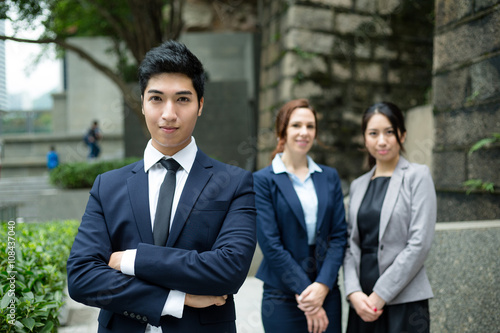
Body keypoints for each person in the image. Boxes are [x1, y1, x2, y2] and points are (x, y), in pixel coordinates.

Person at [66, 40, 257, 333]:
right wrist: (174, 299)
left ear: (200, 105)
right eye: (156, 99)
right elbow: (82, 278)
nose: (169, 114)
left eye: (182, 99)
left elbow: (228, 271)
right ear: (142, 103)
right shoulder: (108, 186)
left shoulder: (234, 183)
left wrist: (130, 259)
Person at [253, 99, 347, 333]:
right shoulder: (263, 180)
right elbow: (270, 244)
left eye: (310, 126)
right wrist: (310, 299)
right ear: (282, 131)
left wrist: (323, 287)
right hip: (282, 295)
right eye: (296, 125)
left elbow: (339, 236)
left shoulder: (329, 176)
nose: (304, 132)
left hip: (326, 291)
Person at [343, 102, 437, 333]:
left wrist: (380, 295)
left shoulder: (418, 176)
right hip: (362, 302)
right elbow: (349, 244)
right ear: (365, 139)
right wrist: (353, 292)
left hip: (403, 300)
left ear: (402, 135)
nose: (381, 141)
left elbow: (419, 243)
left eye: (389, 132)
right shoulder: (358, 185)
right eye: (373, 133)